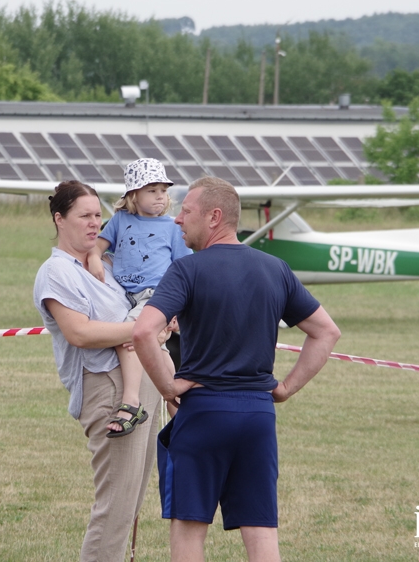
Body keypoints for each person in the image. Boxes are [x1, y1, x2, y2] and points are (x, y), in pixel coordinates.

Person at [132, 176, 341, 562]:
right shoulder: (276, 269)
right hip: (258, 416)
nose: (177, 219)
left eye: (187, 211)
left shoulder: (187, 271)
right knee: (262, 537)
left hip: (203, 414)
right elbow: (326, 332)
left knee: (188, 532)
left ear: (214, 217)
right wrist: (286, 388)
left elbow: (144, 330)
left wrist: (167, 387)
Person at [33, 180, 169, 561]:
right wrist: (143, 330)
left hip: (142, 379)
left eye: (98, 215)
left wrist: (159, 324)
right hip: (106, 387)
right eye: (84, 216)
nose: (94, 223)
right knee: (115, 506)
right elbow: (81, 333)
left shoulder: (103, 266)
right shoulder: (56, 272)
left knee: (131, 502)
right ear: (59, 219)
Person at [86, 158, 190, 438]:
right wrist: (95, 258)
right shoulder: (120, 220)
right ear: (133, 195)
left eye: (163, 190)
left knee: (128, 338)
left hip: (157, 296)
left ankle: (131, 402)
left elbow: (185, 270)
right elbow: (98, 247)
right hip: (124, 296)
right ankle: (178, 404)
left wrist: (179, 308)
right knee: (161, 351)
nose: (160, 196)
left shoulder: (172, 227)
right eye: (152, 190)